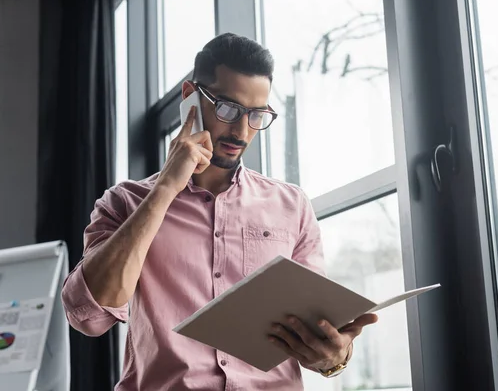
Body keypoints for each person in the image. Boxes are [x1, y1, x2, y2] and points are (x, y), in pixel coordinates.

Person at [61, 32, 378, 391]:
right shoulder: (125, 202)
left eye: (257, 115)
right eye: (228, 108)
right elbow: (88, 315)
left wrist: (334, 357)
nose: (241, 131)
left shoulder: (292, 207)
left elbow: (314, 325)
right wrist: (165, 189)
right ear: (189, 98)